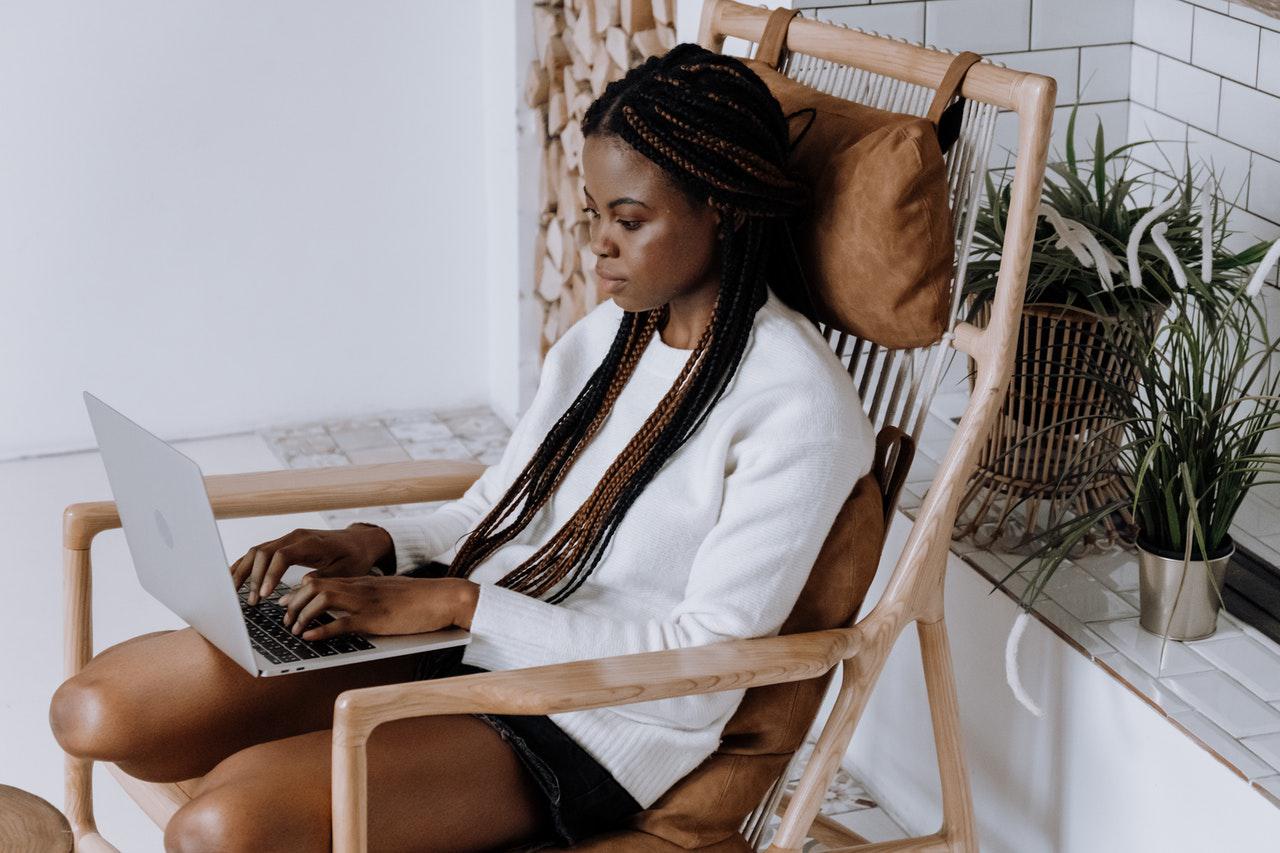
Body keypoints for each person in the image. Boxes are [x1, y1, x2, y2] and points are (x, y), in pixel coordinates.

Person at [48, 42, 876, 852]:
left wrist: (462, 607)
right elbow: (499, 508)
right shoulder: (611, 338)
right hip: (458, 639)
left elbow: (710, 664)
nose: (597, 245)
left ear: (722, 210)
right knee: (95, 711)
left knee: (218, 827)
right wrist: (374, 544)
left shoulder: (796, 404)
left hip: (588, 718)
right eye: (594, 213)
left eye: (629, 220)